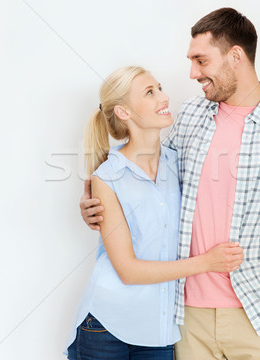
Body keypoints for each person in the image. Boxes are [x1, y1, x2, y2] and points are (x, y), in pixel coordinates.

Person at [80, 8, 260, 360]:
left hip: (259, 316)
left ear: (235, 56)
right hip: (186, 318)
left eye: (201, 60)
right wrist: (95, 194)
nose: (193, 73)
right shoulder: (191, 116)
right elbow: (145, 170)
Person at [65, 66, 244, 360]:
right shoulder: (107, 177)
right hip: (105, 327)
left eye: (160, 88)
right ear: (124, 112)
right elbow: (128, 270)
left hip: (159, 331)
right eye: (151, 92)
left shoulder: (181, 164)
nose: (164, 97)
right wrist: (207, 263)